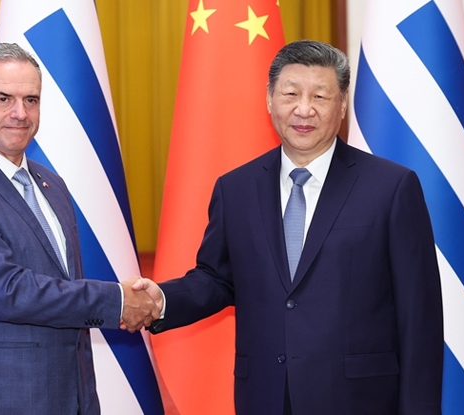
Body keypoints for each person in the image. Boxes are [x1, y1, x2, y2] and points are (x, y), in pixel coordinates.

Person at [135, 39, 443, 414]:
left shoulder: (391, 188)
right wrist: (161, 300)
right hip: (265, 397)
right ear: (269, 99)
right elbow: (217, 279)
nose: (304, 109)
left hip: (360, 400)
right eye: (291, 93)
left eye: (320, 96)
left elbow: (419, 316)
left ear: (342, 104)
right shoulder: (236, 188)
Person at [0, 43, 159, 415]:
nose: (20, 113)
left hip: (65, 398)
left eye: (31, 100)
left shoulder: (51, 185)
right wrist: (119, 302)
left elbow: (63, 290)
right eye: (3, 99)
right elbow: (8, 290)